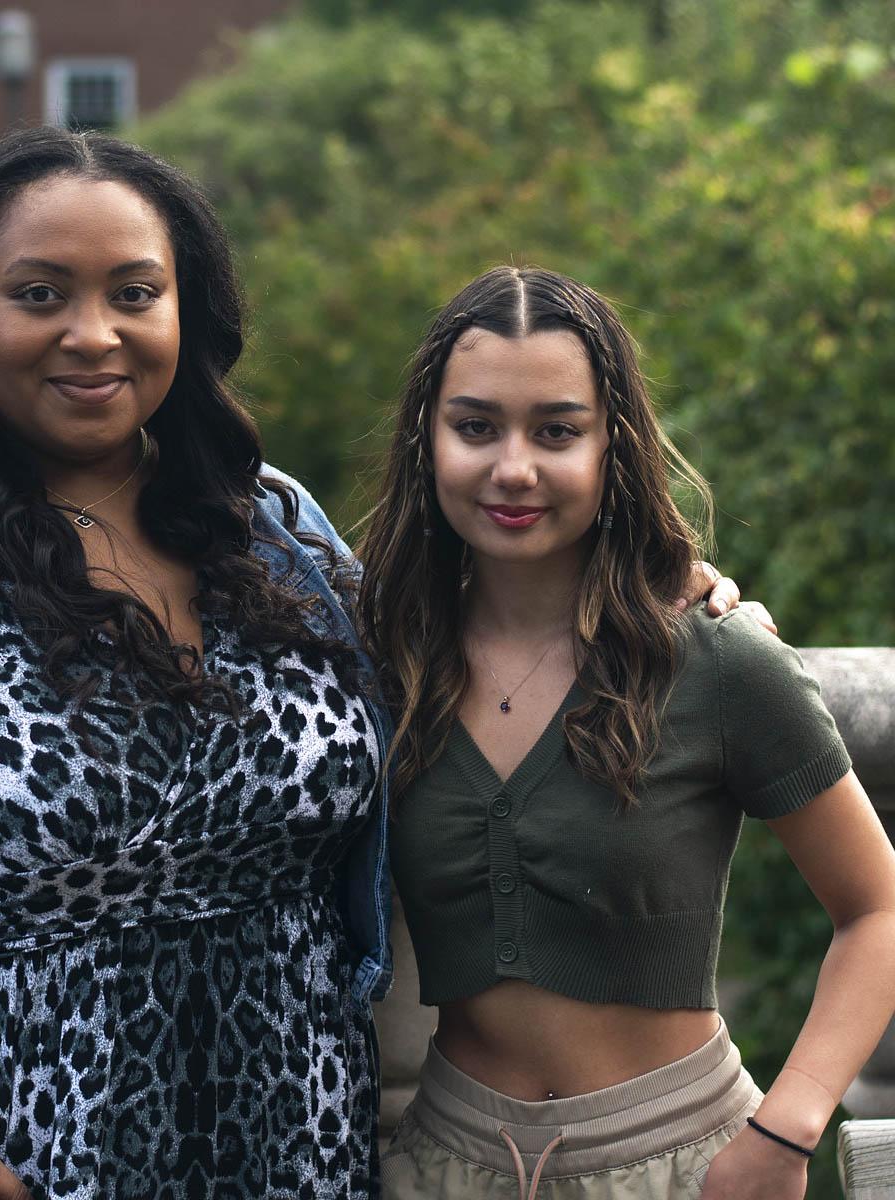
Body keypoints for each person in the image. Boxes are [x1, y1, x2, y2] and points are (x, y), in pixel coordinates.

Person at [0, 130, 744, 1200]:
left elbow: (463, 639)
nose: (93, 335)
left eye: (135, 293)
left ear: (183, 310)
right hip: (21, 1159)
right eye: (41, 293)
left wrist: (652, 590)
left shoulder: (272, 527)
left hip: (304, 1150)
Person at [361, 265, 895, 1200]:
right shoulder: (382, 661)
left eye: (558, 431)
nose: (514, 468)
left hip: (681, 1166)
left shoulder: (715, 662)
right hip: (438, 1163)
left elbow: (880, 910)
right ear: (426, 440)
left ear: (615, 447)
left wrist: (789, 1127)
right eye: (476, 426)